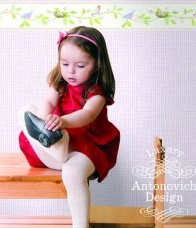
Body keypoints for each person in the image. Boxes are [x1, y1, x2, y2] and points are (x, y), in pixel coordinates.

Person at [18, 26, 120, 228]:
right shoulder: (60, 82)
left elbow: (87, 114)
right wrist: (45, 118)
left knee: (72, 172)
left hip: (86, 146)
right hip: (57, 145)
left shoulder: (96, 92)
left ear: (97, 65)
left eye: (80, 66)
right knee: (26, 110)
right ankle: (52, 141)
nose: (70, 71)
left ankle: (80, 225)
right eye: (64, 64)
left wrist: (62, 122)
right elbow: (48, 101)